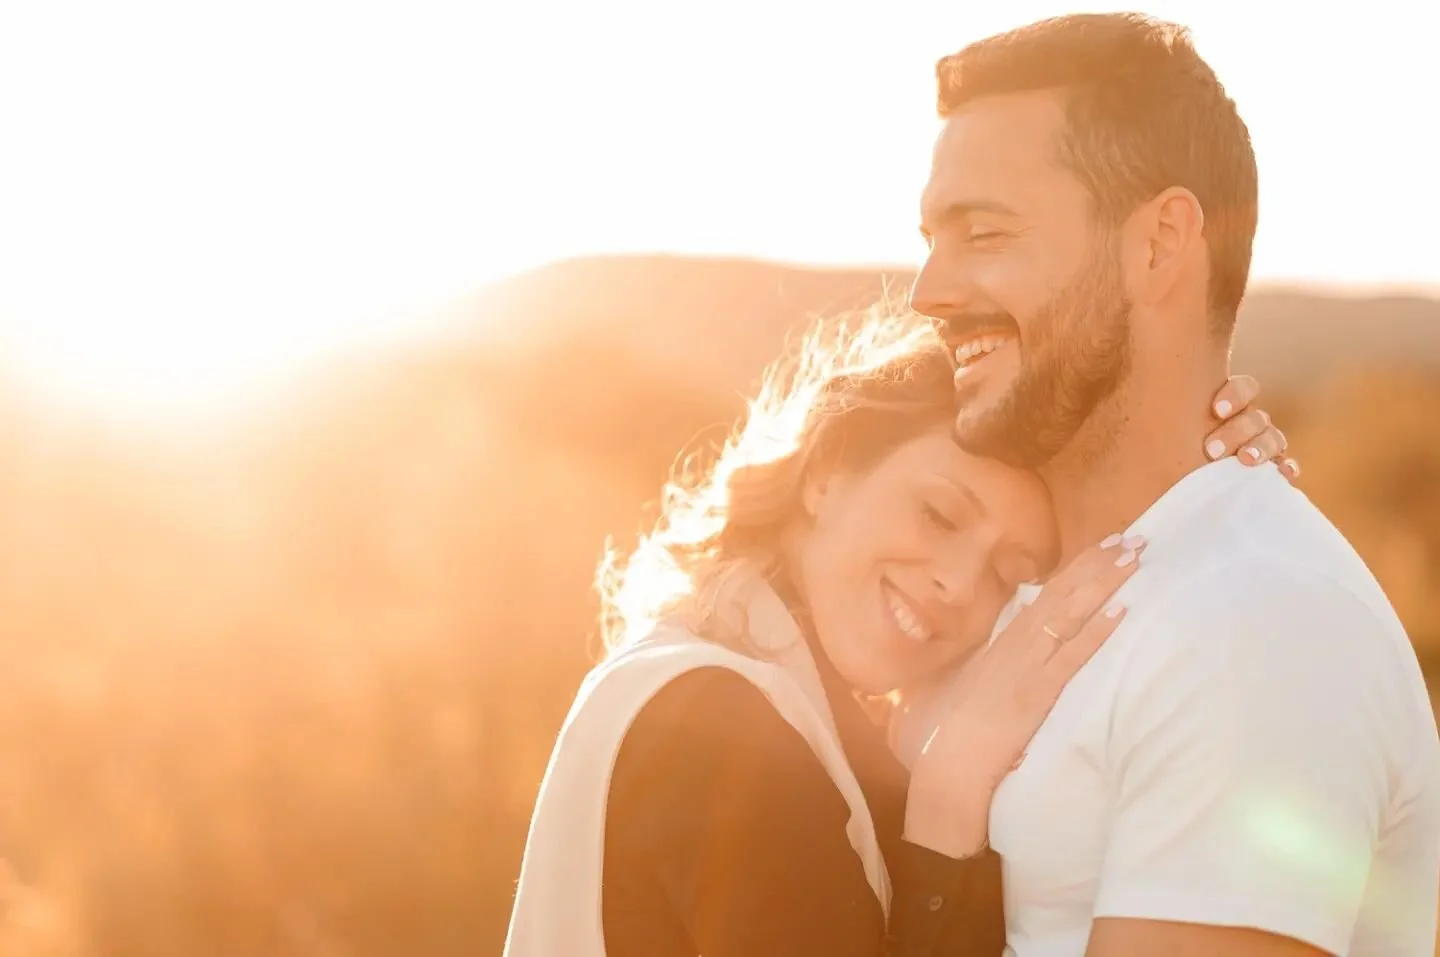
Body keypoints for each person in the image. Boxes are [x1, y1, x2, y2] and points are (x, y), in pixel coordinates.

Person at [503, 307, 1295, 957]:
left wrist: (1203, 476)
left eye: (1006, 572)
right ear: (825, 472)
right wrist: (948, 801)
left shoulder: (729, 674)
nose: (958, 583)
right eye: (940, 513)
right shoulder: (723, 727)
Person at [899, 13, 1440, 957]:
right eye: (930, 238)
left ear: (1159, 244)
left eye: (982, 232)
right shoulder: (995, 577)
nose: (926, 291)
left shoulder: (1258, 621)